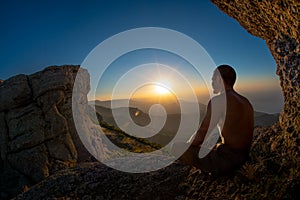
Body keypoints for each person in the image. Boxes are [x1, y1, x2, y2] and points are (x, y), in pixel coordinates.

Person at [172, 64, 254, 176]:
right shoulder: (246, 102)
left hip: (229, 162)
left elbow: (201, 135)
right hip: (244, 157)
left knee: (177, 147)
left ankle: (212, 170)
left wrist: (187, 145)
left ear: (220, 79)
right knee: (217, 144)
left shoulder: (218, 101)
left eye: (213, 79)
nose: (212, 83)